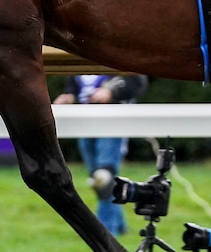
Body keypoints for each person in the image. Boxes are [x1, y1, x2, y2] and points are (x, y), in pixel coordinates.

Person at [53, 75, 149, 235]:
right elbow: (74, 88)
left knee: (104, 178)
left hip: (112, 122)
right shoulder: (77, 58)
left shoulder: (113, 52)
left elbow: (137, 80)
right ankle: (119, 225)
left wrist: (112, 91)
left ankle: (104, 232)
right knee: (97, 179)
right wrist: (69, 97)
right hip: (85, 122)